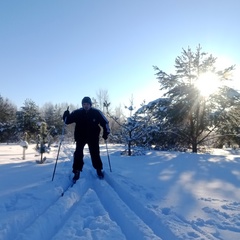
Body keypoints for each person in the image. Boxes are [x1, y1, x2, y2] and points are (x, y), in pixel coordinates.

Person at [62, 96, 110, 180]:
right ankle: (76, 171)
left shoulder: (96, 112)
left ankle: (98, 169)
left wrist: (106, 132)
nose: (86, 106)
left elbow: (105, 122)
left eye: (87, 104)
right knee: (78, 154)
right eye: (84, 104)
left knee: (95, 154)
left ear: (90, 104)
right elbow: (67, 121)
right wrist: (65, 115)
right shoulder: (77, 112)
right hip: (80, 137)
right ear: (82, 105)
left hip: (93, 137)